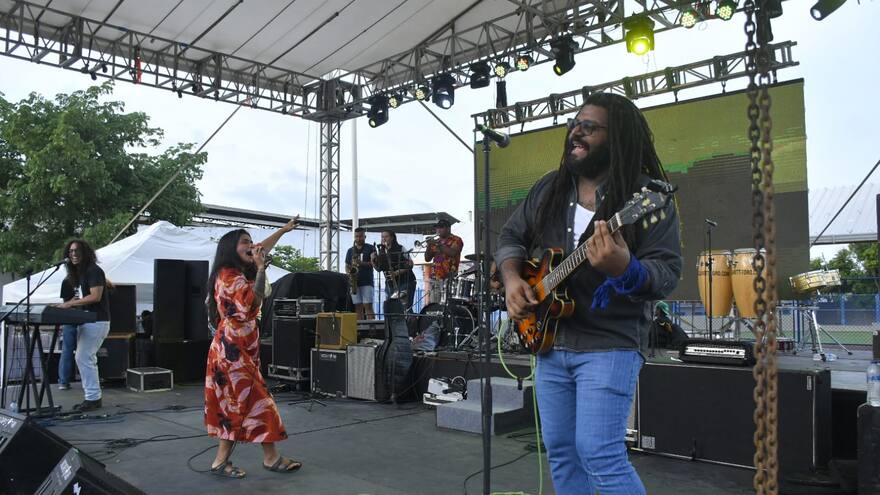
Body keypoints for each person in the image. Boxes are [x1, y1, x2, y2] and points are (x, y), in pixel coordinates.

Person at [496, 92, 682, 495]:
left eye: (589, 127)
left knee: (599, 454)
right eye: (574, 125)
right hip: (549, 343)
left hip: (608, 344)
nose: (576, 132)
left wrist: (625, 268)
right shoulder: (550, 189)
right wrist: (513, 279)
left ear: (617, 138)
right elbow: (511, 237)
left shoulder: (645, 198)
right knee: (562, 452)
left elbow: (667, 272)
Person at [204, 218, 300, 479]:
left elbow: (261, 249)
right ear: (230, 249)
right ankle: (270, 458)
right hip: (231, 352)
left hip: (239, 348)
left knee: (240, 403)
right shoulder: (228, 277)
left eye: (250, 241)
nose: (252, 246)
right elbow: (250, 304)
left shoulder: (235, 272)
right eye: (244, 242)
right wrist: (260, 268)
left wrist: (282, 230)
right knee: (255, 402)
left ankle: (224, 461)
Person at [55, 240, 112, 411]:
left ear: (85, 252)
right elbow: (79, 298)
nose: (73, 254)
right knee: (85, 357)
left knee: (83, 357)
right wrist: (64, 305)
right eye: (70, 251)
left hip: (97, 321)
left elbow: (95, 297)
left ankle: (93, 398)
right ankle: (93, 397)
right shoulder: (77, 275)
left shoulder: (93, 271)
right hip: (87, 321)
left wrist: (70, 305)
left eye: (77, 251)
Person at [372, 230, 416, 312]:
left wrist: (397, 272)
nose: (384, 239)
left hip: (405, 281)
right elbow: (378, 269)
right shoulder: (381, 251)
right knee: (391, 308)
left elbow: (410, 264)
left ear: (392, 238)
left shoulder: (400, 248)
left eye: (386, 236)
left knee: (405, 307)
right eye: (382, 237)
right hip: (390, 284)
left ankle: (409, 324)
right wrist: (373, 261)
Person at [424, 219, 464, 302]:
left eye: (441, 227)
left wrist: (438, 245)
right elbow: (427, 259)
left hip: (449, 277)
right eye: (437, 228)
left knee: (447, 304)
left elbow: (453, 253)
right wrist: (429, 245)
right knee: (434, 304)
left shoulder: (456, 240)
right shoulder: (435, 242)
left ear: (448, 228)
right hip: (435, 278)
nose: (438, 230)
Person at [344, 227, 376, 320]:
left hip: (367, 281)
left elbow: (374, 264)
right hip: (354, 282)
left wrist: (361, 263)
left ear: (365, 236)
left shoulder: (371, 248)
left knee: (368, 306)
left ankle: (372, 330)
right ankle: (360, 329)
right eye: (356, 236)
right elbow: (347, 265)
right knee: (357, 307)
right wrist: (349, 274)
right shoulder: (350, 250)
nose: (358, 238)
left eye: (361, 236)